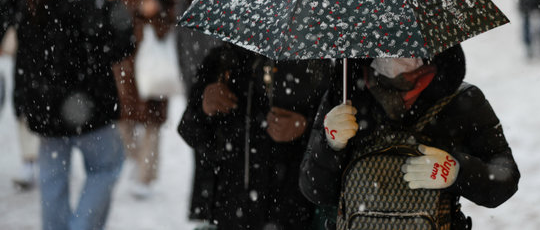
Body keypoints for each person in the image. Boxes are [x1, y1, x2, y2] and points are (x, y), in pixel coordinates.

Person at [2, 0, 135, 229]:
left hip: (45, 106)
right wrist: (113, 2)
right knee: (106, 167)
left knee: (53, 180)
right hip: (90, 107)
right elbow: (122, 44)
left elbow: (26, 46)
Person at [299, 44, 520, 229]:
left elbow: (504, 179)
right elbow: (315, 190)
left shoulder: (462, 99)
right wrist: (330, 145)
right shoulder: (345, 96)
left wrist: (457, 172)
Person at [178, 43, 332, 230]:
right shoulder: (224, 60)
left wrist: (305, 128)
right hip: (231, 207)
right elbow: (189, 131)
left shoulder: (315, 64)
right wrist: (204, 107)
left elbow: (334, 135)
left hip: (291, 208)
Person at [0, 0, 76, 191]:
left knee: (53, 101)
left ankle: (49, 157)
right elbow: (9, 1)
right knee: (26, 100)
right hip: (30, 46)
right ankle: (29, 160)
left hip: (61, 49)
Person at [111, 0, 177, 199]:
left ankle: (145, 175)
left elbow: (174, 4)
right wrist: (129, 6)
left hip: (153, 44)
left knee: (151, 113)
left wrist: (159, 9)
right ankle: (134, 161)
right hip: (124, 44)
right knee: (122, 110)